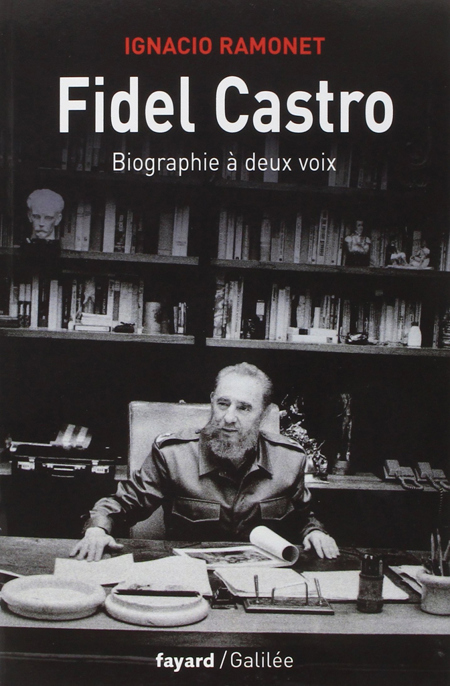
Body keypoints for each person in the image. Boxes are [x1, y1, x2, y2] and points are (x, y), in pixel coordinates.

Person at [71, 363, 339, 562]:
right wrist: (97, 530)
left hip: (261, 580)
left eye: (244, 408)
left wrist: (314, 532)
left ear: (265, 413)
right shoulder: (173, 454)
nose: (229, 418)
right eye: (223, 404)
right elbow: (121, 504)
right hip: (190, 576)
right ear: (212, 401)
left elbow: (303, 516)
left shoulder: (289, 458)